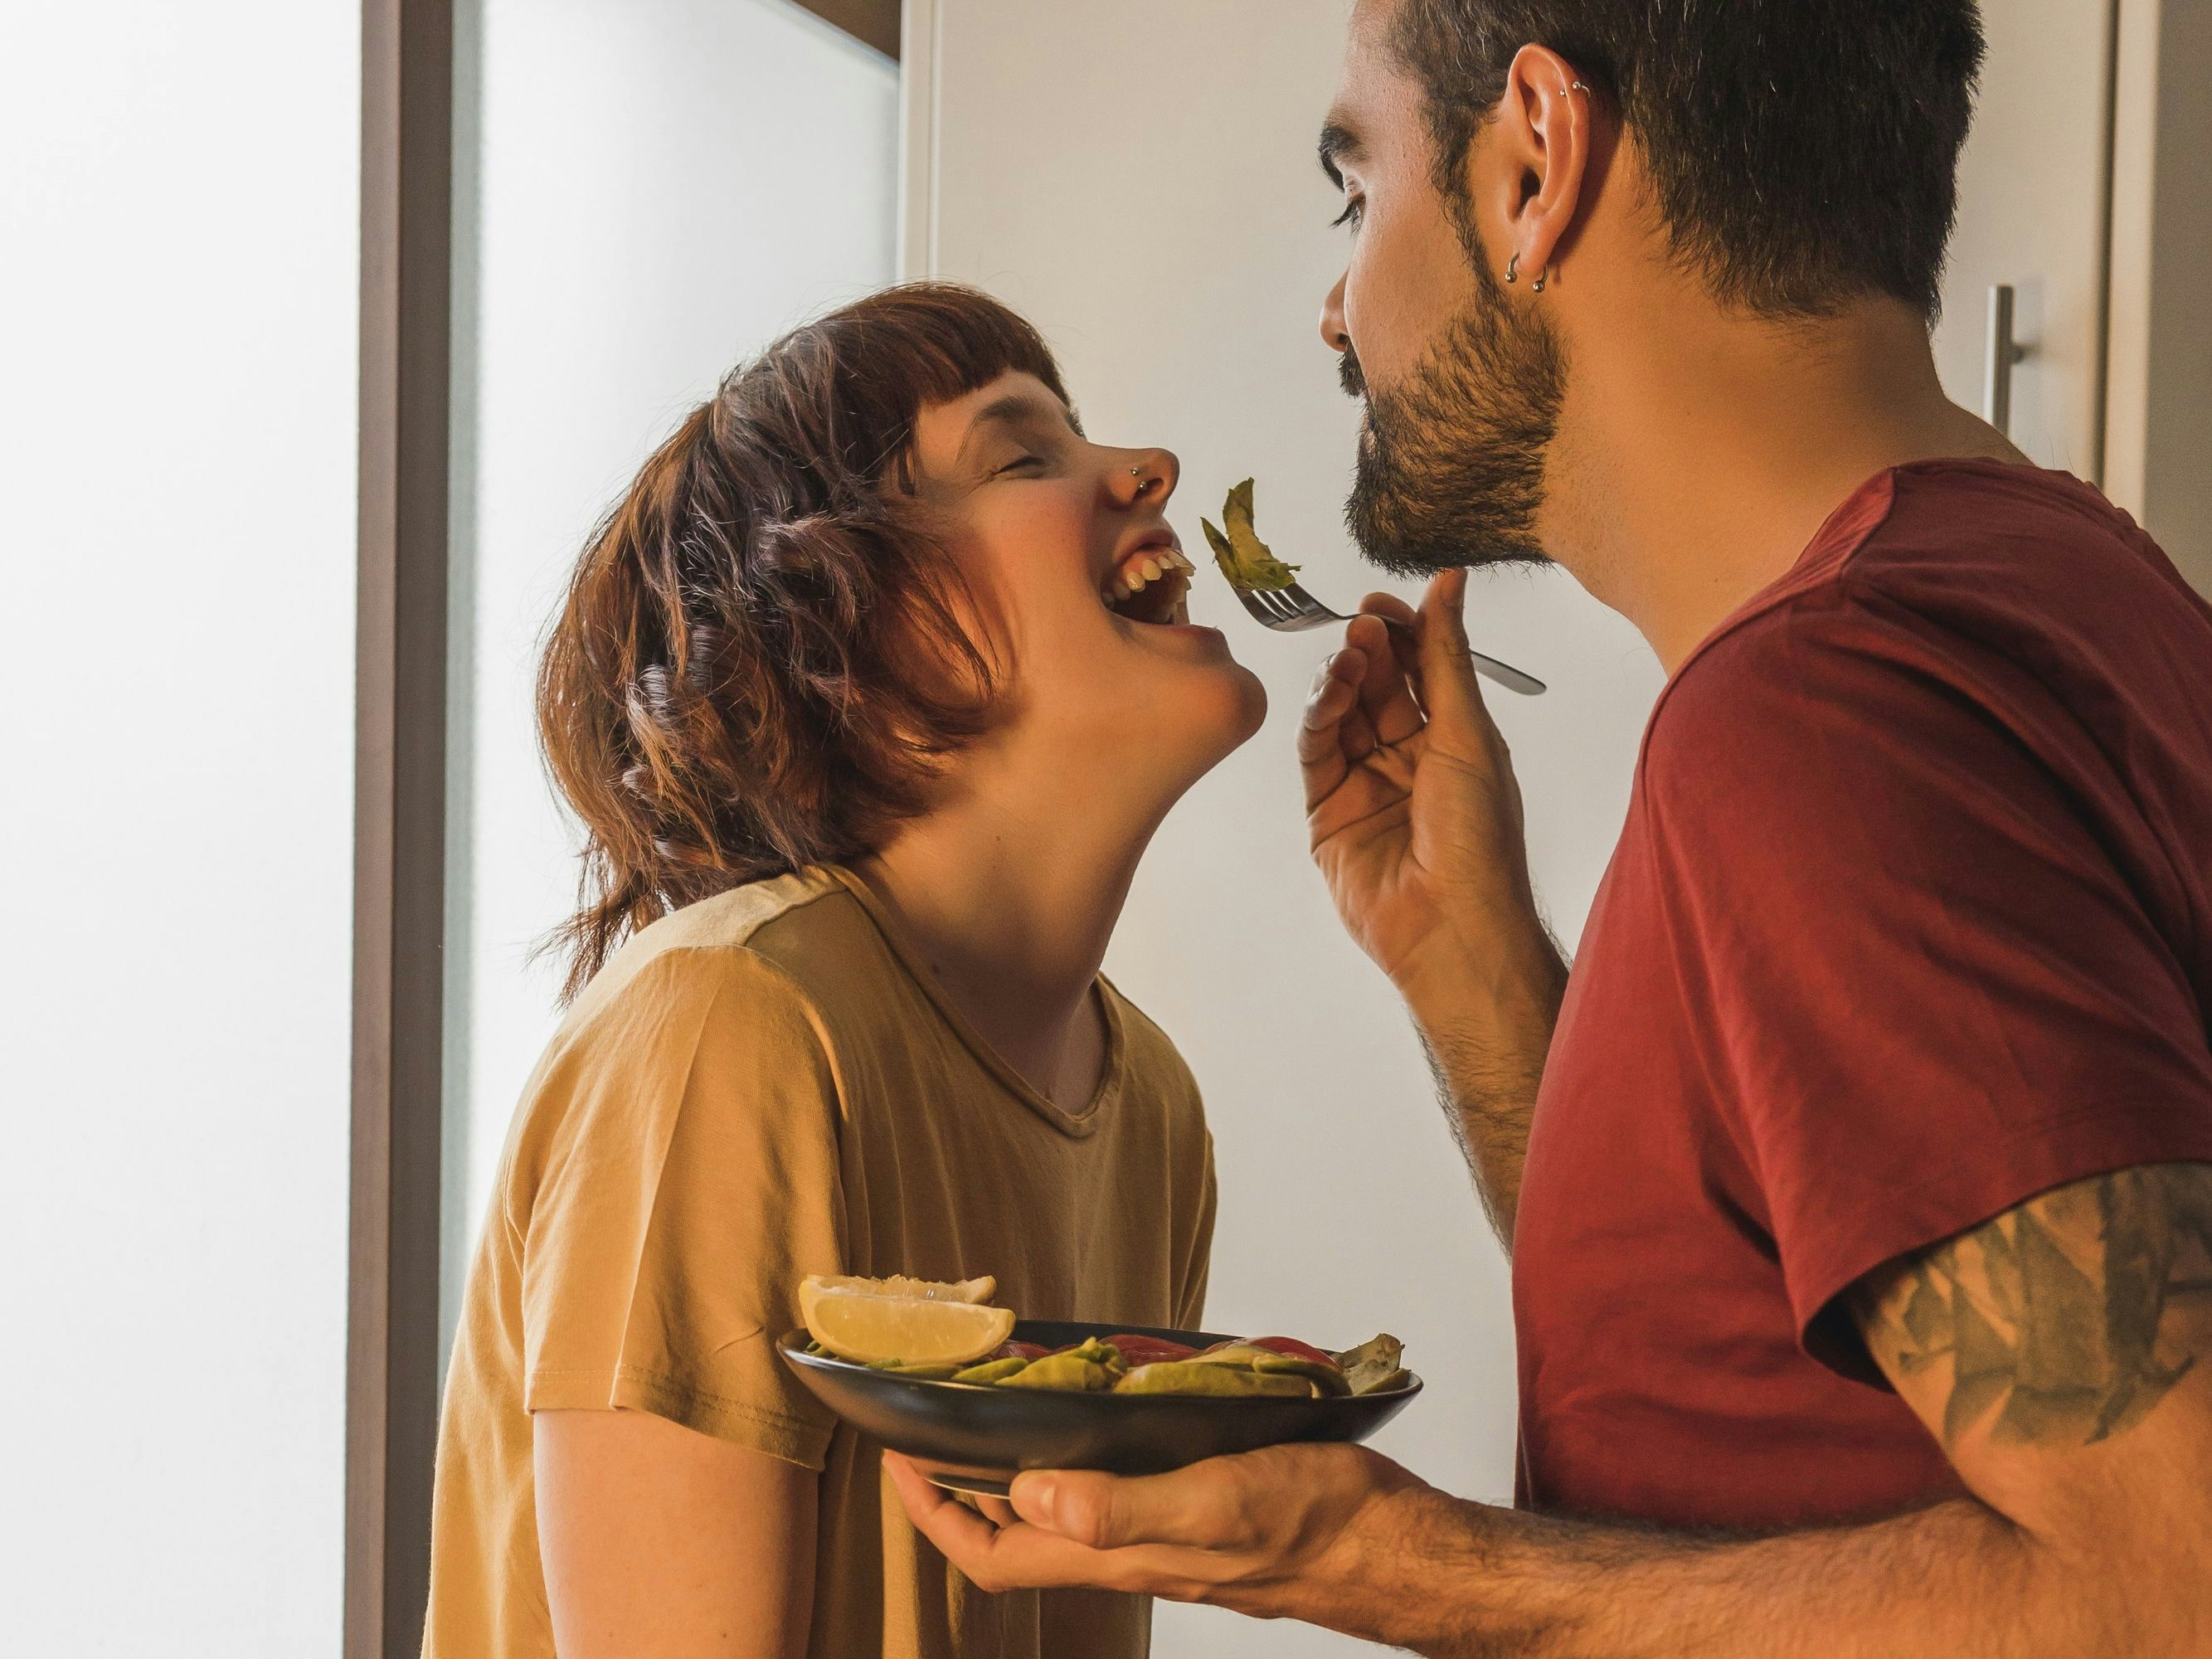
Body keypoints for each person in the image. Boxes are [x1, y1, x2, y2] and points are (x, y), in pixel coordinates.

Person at [890, 1, 2212, 1648]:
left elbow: (2168, 1584)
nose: (1335, 307)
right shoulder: (2088, 594)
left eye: (1352, 186)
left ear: (1531, 159)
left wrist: (1387, 1566)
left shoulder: (1821, 723)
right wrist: (1487, 991)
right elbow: (1774, 1386)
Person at [420, 284, 1265, 1659]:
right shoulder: (728, 1029)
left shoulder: (1149, 1104)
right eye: (1021, 455)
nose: (1144, 470)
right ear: (852, 626)